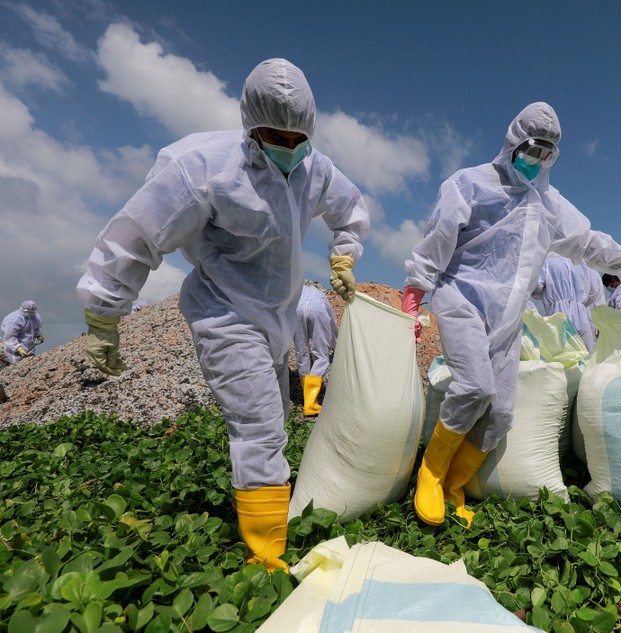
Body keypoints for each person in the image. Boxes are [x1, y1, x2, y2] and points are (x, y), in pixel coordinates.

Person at [76, 58, 369, 571]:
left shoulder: (313, 168)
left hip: (279, 314)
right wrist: (104, 312)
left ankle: (267, 505)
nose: (288, 146)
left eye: (298, 136)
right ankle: (265, 558)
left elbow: (351, 209)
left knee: (274, 418)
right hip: (225, 312)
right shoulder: (205, 169)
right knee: (259, 427)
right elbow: (140, 235)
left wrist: (344, 252)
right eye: (274, 135)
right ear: (249, 124)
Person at [401, 102, 621, 528]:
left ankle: (456, 486)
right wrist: (416, 288)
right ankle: (431, 472)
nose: (536, 160)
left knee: (500, 414)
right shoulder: (469, 184)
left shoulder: (549, 204)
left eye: (547, 154)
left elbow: (589, 243)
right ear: (513, 143)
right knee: (475, 387)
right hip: (462, 299)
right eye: (531, 149)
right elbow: (439, 237)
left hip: (509, 315)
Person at [531, 253, 607, 353]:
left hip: (556, 315)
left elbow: (535, 287)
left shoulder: (547, 263)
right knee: (585, 353)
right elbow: (594, 293)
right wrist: (579, 304)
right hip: (582, 316)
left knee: (559, 356)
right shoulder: (585, 267)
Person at [294, 284, 338, 416]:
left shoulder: (296, 290)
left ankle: (306, 398)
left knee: (301, 353)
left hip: (296, 310)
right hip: (318, 311)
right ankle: (311, 403)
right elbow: (332, 322)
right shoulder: (320, 295)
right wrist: (336, 343)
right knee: (321, 355)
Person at [2, 301, 43, 365]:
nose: (30, 313)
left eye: (32, 312)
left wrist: (38, 335)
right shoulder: (15, 319)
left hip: (30, 347)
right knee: (15, 367)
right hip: (14, 350)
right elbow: (10, 336)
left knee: (29, 366)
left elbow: (36, 328)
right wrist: (18, 348)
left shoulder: (34, 316)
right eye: (28, 312)